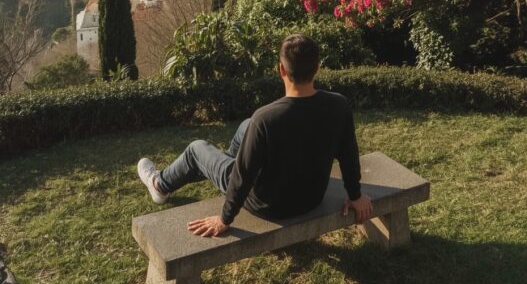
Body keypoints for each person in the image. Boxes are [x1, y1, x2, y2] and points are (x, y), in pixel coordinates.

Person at [137, 33, 373, 237]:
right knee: (246, 126)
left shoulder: (267, 118)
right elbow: (349, 154)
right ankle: (227, 161)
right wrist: (355, 195)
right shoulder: (339, 105)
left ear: (281, 69)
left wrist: (225, 219)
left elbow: (242, 177)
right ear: (318, 67)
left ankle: (160, 185)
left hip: (268, 205)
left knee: (196, 149)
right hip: (310, 198)